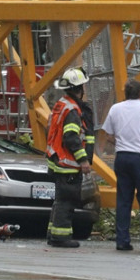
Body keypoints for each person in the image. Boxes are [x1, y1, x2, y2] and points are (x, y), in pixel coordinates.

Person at [101, 79, 140, 252]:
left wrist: (121, 141)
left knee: (124, 200)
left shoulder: (116, 109)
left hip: (123, 157)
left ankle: (122, 240)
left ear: (125, 94)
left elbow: (108, 134)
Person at [45, 67, 95, 248]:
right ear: (79, 87)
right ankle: (61, 237)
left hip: (58, 160)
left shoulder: (61, 104)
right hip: (67, 163)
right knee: (67, 200)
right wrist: (83, 160)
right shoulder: (72, 110)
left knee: (60, 201)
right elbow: (71, 137)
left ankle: (53, 234)